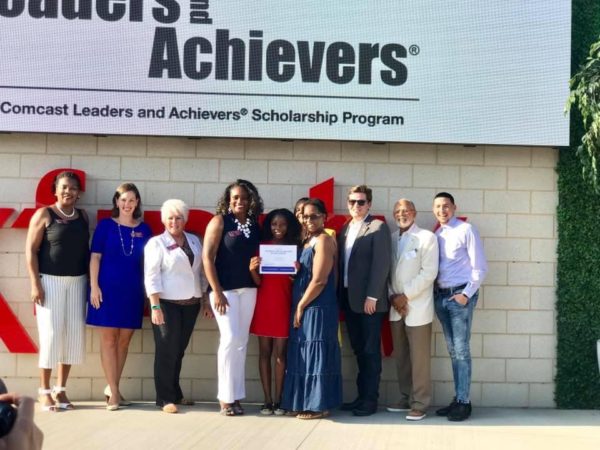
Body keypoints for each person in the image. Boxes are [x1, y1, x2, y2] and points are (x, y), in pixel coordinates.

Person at [25, 171, 89, 411]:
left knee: (72, 337)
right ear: (55, 190)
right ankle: (44, 391)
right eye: (63, 187)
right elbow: (30, 251)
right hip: (49, 282)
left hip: (77, 282)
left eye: (73, 188)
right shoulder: (44, 214)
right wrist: (35, 283)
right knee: (50, 336)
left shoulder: (83, 216)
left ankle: (61, 391)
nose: (68, 191)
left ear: (79, 193)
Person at [87, 183, 153, 410]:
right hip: (106, 290)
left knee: (124, 341)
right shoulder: (105, 226)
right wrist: (94, 287)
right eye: (123, 200)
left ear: (137, 203)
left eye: (132, 200)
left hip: (132, 291)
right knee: (108, 340)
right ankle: (114, 393)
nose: (127, 204)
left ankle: (112, 386)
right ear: (116, 201)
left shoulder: (145, 230)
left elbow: (150, 264)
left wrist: (148, 291)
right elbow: (95, 258)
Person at [202, 180, 263, 416]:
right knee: (229, 340)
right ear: (228, 199)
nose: (240, 201)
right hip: (224, 291)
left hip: (248, 289)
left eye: (244, 197)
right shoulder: (219, 221)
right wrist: (215, 291)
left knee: (241, 342)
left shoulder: (254, 225)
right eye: (235, 197)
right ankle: (225, 398)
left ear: (251, 200)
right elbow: (207, 258)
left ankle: (237, 396)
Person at [144, 199, 210, 414]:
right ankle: (165, 398)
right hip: (166, 304)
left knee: (178, 350)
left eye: (179, 217)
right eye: (170, 218)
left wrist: (204, 299)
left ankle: (175, 392)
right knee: (166, 350)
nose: (175, 222)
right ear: (164, 220)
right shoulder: (156, 243)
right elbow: (151, 276)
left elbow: (200, 271)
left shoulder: (193, 241)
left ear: (185, 219)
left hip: (190, 304)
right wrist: (155, 306)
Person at [281, 198, 342, 419]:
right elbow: (307, 275)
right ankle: (302, 401)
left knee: (317, 355)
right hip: (305, 304)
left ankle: (319, 405)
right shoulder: (308, 241)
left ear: (324, 217)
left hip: (318, 306)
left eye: (314, 216)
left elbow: (319, 280)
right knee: (303, 354)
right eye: (305, 216)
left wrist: (300, 306)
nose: (309, 220)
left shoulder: (324, 240)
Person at [432, 192, 487, 422]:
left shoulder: (466, 230)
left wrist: (465, 295)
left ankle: (464, 402)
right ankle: (458, 398)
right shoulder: (437, 234)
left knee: (461, 351)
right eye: (437, 207)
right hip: (441, 297)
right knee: (453, 351)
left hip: (460, 296)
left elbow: (480, 267)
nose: (442, 210)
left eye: (446, 206)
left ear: (454, 207)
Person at [338, 185, 391, 416]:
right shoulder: (345, 228)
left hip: (370, 303)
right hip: (349, 300)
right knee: (359, 351)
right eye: (352, 202)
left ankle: (370, 401)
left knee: (370, 352)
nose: (356, 206)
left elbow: (381, 265)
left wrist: (373, 296)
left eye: (360, 202)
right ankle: (361, 398)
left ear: (369, 204)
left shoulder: (378, 227)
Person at [386, 199, 438, 421]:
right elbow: (385, 271)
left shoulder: (427, 238)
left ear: (414, 213)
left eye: (405, 211)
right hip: (395, 306)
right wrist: (392, 296)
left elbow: (429, 273)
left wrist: (404, 296)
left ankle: (420, 403)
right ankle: (406, 396)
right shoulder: (390, 239)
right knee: (402, 357)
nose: (401, 214)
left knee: (419, 358)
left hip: (416, 306)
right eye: (397, 211)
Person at [249, 209, 302, 416]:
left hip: (283, 304)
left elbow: (296, 283)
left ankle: (279, 400)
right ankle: (267, 400)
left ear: (289, 226)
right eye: (274, 225)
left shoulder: (295, 249)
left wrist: (296, 272)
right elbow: (259, 282)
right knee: (264, 353)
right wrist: (253, 269)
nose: (277, 229)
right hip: (265, 304)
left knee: (280, 354)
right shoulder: (263, 248)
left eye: (282, 225)